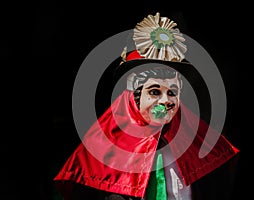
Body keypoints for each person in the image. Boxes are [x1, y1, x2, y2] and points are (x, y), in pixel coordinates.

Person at [53, 12, 240, 200]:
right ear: (133, 93)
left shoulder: (198, 150)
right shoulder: (102, 150)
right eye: (154, 92)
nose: (165, 101)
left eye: (172, 92)